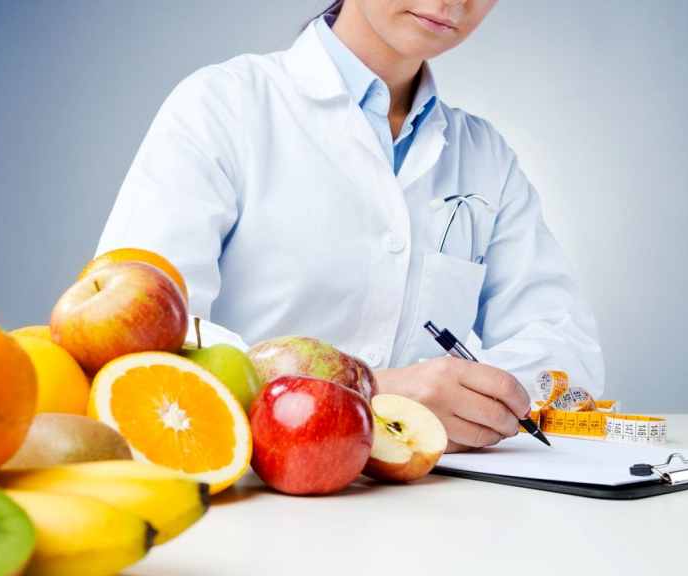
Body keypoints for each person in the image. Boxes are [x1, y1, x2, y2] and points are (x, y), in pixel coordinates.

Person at [95, 0, 604, 453]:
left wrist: (469, 398)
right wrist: (369, 391)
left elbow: (566, 350)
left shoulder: (484, 155)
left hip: (428, 500)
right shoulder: (222, 106)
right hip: (249, 488)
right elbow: (136, 342)